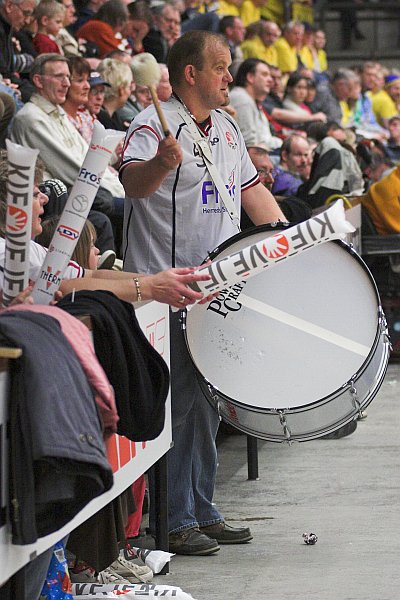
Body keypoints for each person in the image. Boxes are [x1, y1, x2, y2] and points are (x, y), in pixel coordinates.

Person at [120, 30, 285, 556]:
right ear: (189, 73)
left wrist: (291, 239)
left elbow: (251, 192)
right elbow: (132, 186)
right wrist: (162, 164)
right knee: (182, 401)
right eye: (220, 67)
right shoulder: (152, 124)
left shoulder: (230, 130)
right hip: (168, 289)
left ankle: (201, 507)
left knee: (211, 399)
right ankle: (173, 518)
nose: (228, 77)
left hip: (220, 289)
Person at [230, 58, 282, 152]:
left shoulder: (251, 100)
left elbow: (264, 139)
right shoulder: (242, 99)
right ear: (250, 77)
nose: (271, 80)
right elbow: (250, 145)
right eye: (265, 75)